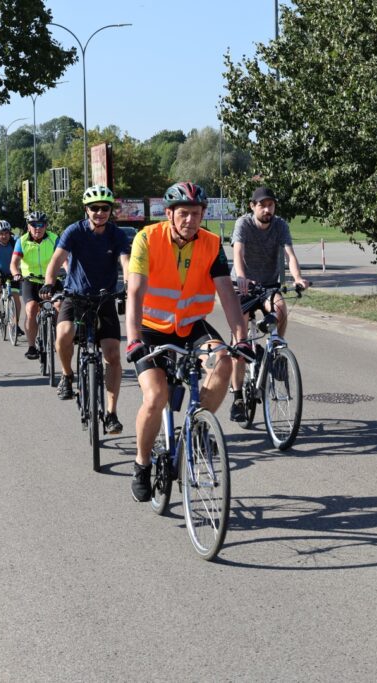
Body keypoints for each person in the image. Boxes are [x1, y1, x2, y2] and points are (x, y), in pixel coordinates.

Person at [124, 181, 248, 502]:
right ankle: (142, 464)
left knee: (223, 362)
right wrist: (134, 339)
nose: (190, 220)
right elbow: (135, 292)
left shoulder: (210, 243)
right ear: (169, 214)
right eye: (183, 213)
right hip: (150, 329)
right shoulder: (146, 239)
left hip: (191, 325)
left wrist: (242, 338)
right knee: (156, 396)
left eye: (196, 213)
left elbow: (227, 292)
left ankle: (196, 429)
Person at [41, 185, 130, 435]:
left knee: (112, 355)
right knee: (64, 334)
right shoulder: (74, 231)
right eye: (94, 208)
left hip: (105, 299)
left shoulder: (117, 234)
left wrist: (129, 283)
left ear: (110, 211)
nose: (99, 212)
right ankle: (67, 376)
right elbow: (57, 260)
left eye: (104, 208)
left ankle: (111, 414)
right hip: (75, 295)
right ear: (86, 210)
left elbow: (126, 261)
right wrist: (49, 282)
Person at [228, 186, 309, 421]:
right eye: (262, 205)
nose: (267, 209)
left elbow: (290, 255)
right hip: (242, 286)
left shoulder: (280, 225)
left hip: (268, 285)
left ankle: (276, 350)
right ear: (253, 206)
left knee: (281, 308)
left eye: (270, 205)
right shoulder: (243, 224)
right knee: (240, 343)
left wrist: (297, 278)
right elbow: (238, 253)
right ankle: (238, 399)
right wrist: (242, 278)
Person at [10, 211, 57, 360]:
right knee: (31, 309)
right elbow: (14, 263)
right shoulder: (22, 241)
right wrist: (16, 274)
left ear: (46, 226)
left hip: (51, 280)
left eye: (41, 225)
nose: (38, 228)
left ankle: (59, 336)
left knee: (59, 306)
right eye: (34, 225)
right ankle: (32, 347)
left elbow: (65, 260)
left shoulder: (54, 239)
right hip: (30, 280)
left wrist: (69, 272)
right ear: (28, 226)